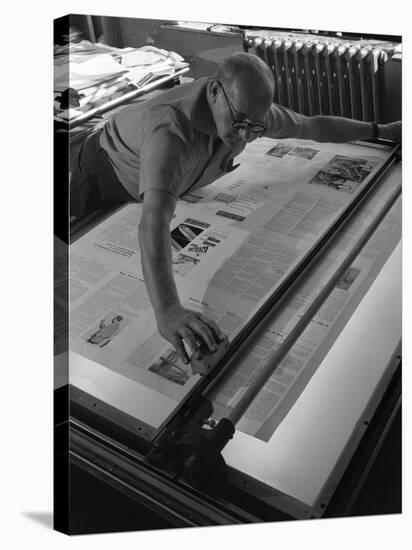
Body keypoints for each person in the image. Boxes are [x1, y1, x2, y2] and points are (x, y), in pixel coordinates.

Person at [70, 52, 401, 365]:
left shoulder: (248, 113)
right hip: (106, 174)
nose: (245, 133)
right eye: (240, 122)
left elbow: (313, 126)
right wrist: (169, 310)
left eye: (255, 127)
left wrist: (382, 131)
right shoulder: (168, 129)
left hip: (171, 178)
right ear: (215, 91)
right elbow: (153, 221)